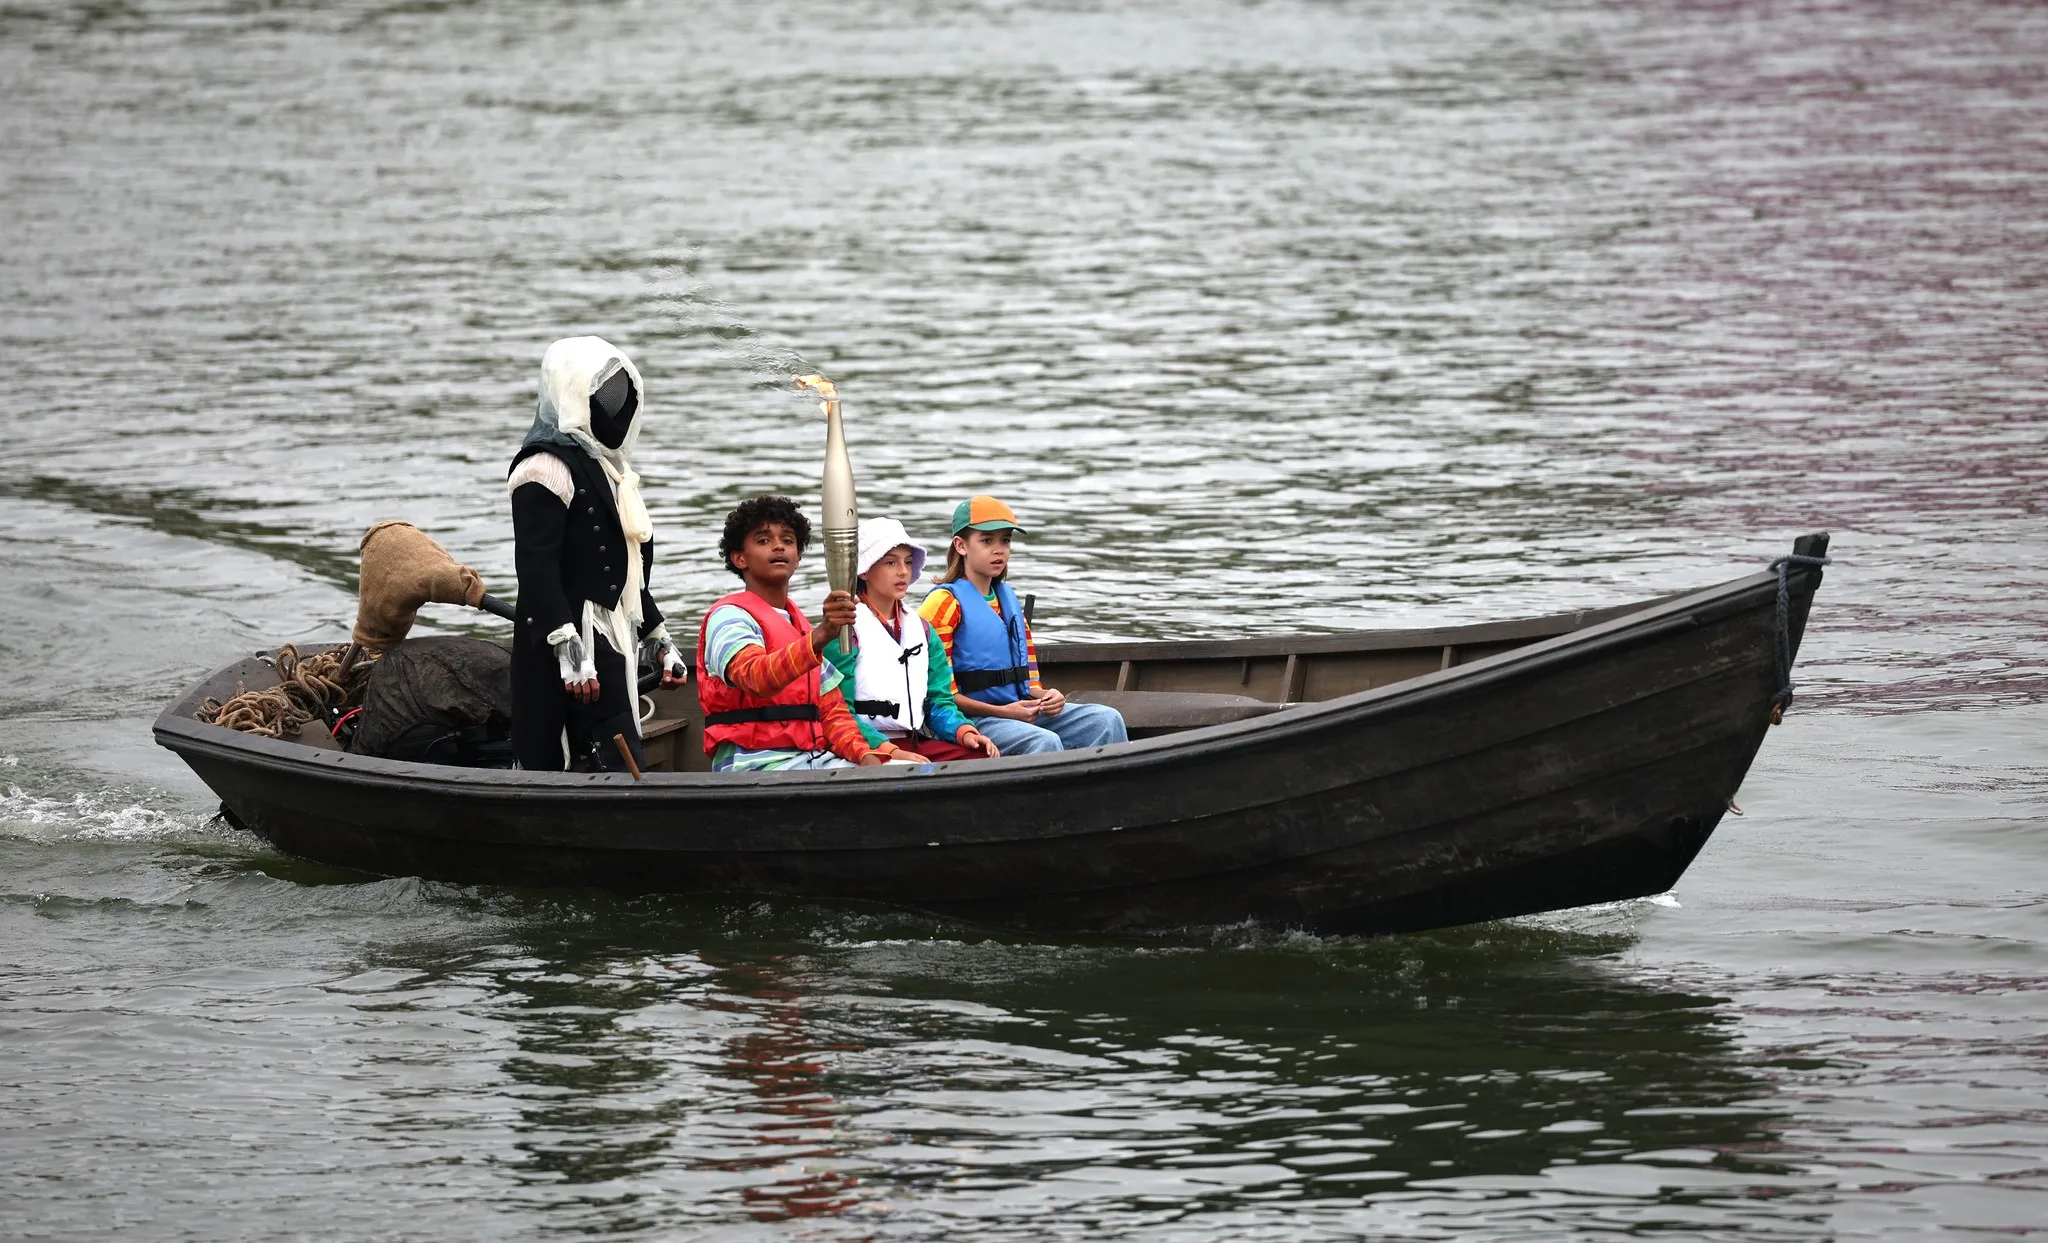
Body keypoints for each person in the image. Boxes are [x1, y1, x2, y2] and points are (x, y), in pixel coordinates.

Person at [507, 336, 687, 772]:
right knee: (578, 751)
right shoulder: (543, 468)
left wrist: (658, 639)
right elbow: (536, 566)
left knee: (617, 745)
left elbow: (625, 575)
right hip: (571, 635)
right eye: (602, 394)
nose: (614, 406)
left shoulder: (610, 469)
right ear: (569, 392)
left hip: (613, 631)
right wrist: (567, 649)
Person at [695, 495, 904, 771]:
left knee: (898, 771)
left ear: (798, 558)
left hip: (812, 759)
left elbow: (832, 711)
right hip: (752, 765)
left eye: (788, 540)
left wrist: (866, 757)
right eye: (763, 540)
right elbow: (755, 677)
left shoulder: (800, 626)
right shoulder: (728, 617)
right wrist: (820, 637)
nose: (779, 545)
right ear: (739, 558)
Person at [919, 496, 1128, 756]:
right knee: (1043, 741)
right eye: (987, 541)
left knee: (1107, 719)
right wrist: (1004, 712)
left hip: (1019, 710)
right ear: (961, 546)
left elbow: (1030, 683)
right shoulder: (943, 604)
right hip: (972, 720)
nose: (999, 550)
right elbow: (940, 697)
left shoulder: (1008, 601)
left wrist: (1050, 696)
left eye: (1005, 540)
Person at [827, 517, 1001, 764]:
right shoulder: (844, 632)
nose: (903, 571)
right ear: (864, 570)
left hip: (916, 741)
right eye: (890, 562)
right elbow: (839, 712)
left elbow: (938, 702)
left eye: (908, 562)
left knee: (981, 756)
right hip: (865, 746)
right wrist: (890, 751)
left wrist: (964, 732)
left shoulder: (923, 630)